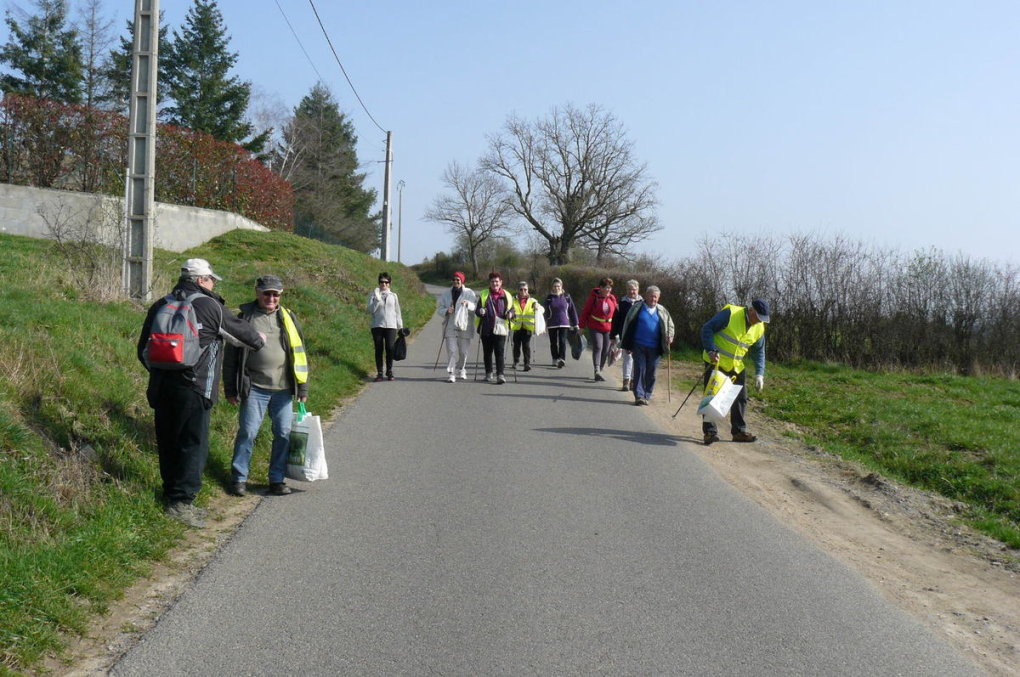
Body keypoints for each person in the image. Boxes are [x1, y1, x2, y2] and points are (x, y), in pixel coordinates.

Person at [137, 258, 266, 528]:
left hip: (160, 386)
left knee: (168, 443)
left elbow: (143, 350)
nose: (212, 284)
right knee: (193, 445)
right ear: (200, 280)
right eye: (210, 279)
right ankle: (182, 504)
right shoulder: (209, 305)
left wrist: (163, 372)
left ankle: (170, 495)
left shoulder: (161, 303)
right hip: (195, 387)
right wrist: (261, 338)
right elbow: (248, 338)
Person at [223, 275, 309, 497]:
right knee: (248, 432)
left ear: (281, 295)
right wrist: (231, 389)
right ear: (257, 292)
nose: (271, 298)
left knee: (283, 433)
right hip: (255, 388)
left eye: (275, 294)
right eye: (267, 293)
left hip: (283, 389)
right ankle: (239, 478)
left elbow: (300, 354)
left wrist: (302, 388)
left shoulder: (288, 317)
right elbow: (231, 356)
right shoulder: (245, 318)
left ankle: (277, 480)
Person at [701, 298, 770, 445]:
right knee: (712, 396)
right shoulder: (730, 314)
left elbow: (759, 352)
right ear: (751, 310)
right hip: (716, 361)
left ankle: (739, 431)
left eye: (762, 320)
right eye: (757, 318)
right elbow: (707, 328)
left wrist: (760, 374)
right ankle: (709, 432)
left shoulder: (759, 327)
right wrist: (711, 350)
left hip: (736, 365)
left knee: (740, 398)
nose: (759, 322)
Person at [619, 286, 675, 405]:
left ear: (658, 298)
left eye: (655, 296)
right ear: (646, 296)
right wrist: (626, 344)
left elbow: (670, 326)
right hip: (638, 344)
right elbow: (627, 324)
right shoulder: (637, 308)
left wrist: (670, 336)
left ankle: (647, 394)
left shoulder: (662, 311)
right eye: (651, 296)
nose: (653, 299)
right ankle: (639, 396)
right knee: (640, 369)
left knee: (652, 371)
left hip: (655, 347)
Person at [436, 271, 477, 383]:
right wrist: (446, 310)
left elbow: (475, 307)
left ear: (462, 281)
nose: (455, 281)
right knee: (451, 350)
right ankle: (452, 373)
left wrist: (468, 304)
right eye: (454, 279)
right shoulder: (446, 294)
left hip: (465, 326)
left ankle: (462, 368)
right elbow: (439, 309)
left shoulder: (469, 293)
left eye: (458, 280)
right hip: (450, 325)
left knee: (463, 351)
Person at [475, 271, 515, 384]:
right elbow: (477, 311)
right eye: (492, 281)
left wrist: (511, 314)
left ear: (501, 282)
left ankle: (500, 375)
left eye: (497, 281)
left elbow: (512, 310)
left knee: (499, 352)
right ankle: (488, 373)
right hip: (486, 327)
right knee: (487, 353)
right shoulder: (484, 294)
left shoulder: (507, 295)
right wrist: (480, 311)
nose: (495, 284)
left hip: (501, 328)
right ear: (489, 282)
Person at [579, 277, 618, 381]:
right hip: (595, 326)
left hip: (609, 328)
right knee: (598, 346)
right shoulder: (594, 298)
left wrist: (618, 329)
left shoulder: (612, 298)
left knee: (606, 349)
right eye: (606, 287)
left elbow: (617, 314)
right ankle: (596, 369)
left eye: (610, 288)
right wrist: (581, 327)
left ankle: (600, 370)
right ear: (600, 288)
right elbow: (585, 312)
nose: (609, 290)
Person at [367, 272, 404, 382]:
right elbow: (370, 310)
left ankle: (389, 371)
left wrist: (400, 327)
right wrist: (377, 300)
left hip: (391, 326)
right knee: (379, 349)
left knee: (390, 348)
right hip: (377, 325)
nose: (384, 284)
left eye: (386, 282)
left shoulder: (393, 296)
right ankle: (379, 373)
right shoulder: (373, 295)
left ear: (389, 283)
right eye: (382, 282)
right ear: (379, 283)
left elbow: (397, 312)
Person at [611, 279, 641, 391]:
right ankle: (626, 381)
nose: (631, 292)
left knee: (637, 358)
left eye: (633, 289)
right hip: (625, 334)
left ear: (638, 290)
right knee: (627, 358)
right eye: (629, 289)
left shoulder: (643, 303)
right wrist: (613, 335)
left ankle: (634, 380)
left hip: (639, 335)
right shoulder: (621, 304)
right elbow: (616, 321)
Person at [543, 278, 578, 368]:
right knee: (553, 342)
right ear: (552, 287)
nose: (556, 288)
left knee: (562, 341)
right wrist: (543, 325)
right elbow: (545, 312)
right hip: (552, 323)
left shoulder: (567, 297)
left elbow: (572, 310)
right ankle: (555, 358)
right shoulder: (549, 298)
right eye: (555, 286)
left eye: (558, 286)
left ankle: (562, 359)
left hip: (564, 323)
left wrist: (575, 324)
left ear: (561, 286)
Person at [510, 280, 538, 371]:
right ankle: (516, 361)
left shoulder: (533, 301)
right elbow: (509, 309)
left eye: (525, 289)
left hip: (527, 327)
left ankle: (527, 363)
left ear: (528, 290)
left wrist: (537, 307)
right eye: (521, 290)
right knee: (516, 346)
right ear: (518, 290)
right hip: (517, 327)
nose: (523, 292)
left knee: (526, 346)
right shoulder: (513, 300)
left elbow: (542, 309)